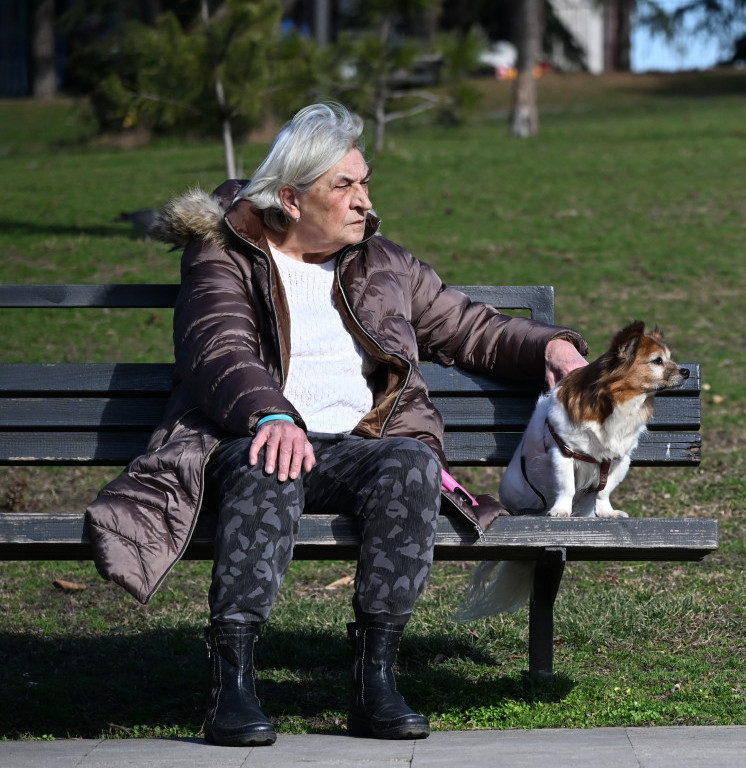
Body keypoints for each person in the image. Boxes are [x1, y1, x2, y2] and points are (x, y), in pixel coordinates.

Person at [85, 102, 588, 747]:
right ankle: (232, 682)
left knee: (410, 463)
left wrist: (551, 348)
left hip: (358, 450)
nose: (364, 202)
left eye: (365, 182)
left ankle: (375, 680)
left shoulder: (382, 264)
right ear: (291, 199)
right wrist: (270, 414)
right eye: (344, 186)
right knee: (273, 460)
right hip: (245, 439)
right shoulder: (223, 255)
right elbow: (219, 346)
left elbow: (469, 326)